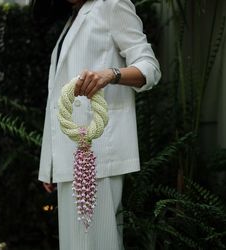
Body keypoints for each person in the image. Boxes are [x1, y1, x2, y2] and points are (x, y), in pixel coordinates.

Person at [32, 0, 161, 249]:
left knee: (98, 242)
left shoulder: (112, 5)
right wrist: (49, 161)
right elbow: (57, 97)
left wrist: (110, 74)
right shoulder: (74, 18)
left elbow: (150, 68)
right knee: (75, 244)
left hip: (100, 152)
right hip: (71, 154)